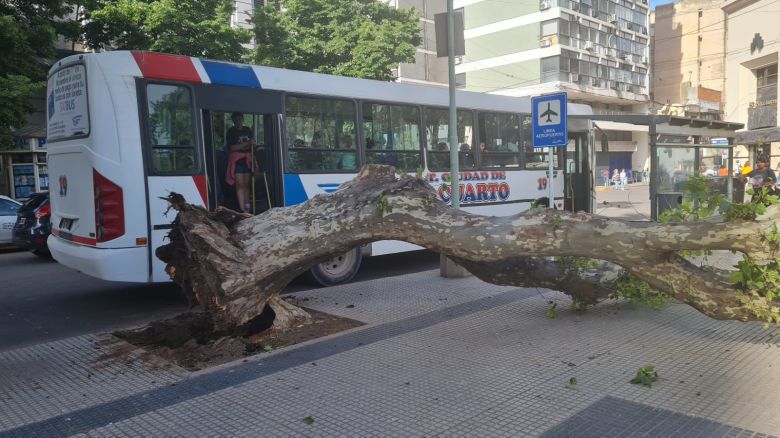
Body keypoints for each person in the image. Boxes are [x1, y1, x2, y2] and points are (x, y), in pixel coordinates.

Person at [226, 112, 257, 213]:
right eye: (236, 120)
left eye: (240, 119)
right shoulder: (231, 131)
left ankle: (247, 207)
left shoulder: (247, 129)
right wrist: (247, 143)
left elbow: (252, 144)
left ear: (243, 120)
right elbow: (232, 147)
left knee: (247, 184)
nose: (239, 122)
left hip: (247, 159)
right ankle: (242, 209)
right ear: (233, 121)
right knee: (240, 184)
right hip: (237, 160)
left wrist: (251, 144)